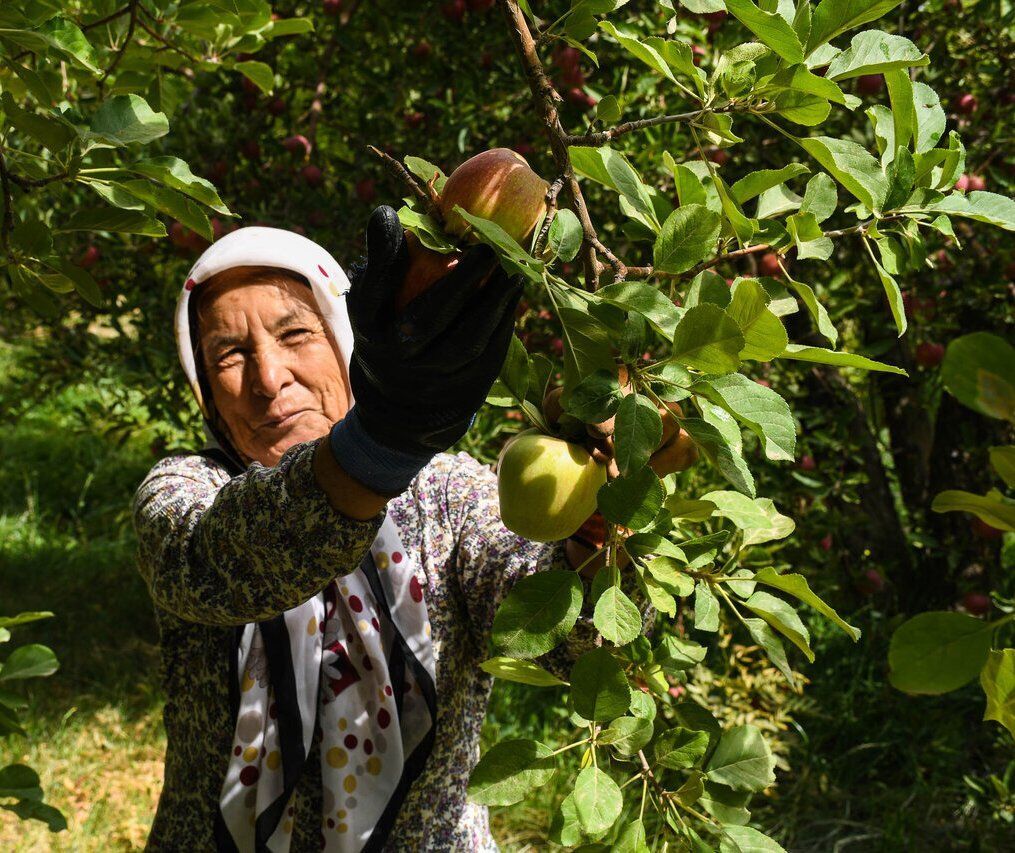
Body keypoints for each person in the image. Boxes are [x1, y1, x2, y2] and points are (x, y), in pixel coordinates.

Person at [133, 205, 695, 851]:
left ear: (343, 336)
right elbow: (223, 561)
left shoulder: (447, 492)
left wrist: (598, 514)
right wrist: (381, 442)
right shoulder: (185, 492)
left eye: (295, 334)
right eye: (229, 352)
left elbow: (566, 642)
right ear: (203, 383)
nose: (268, 377)